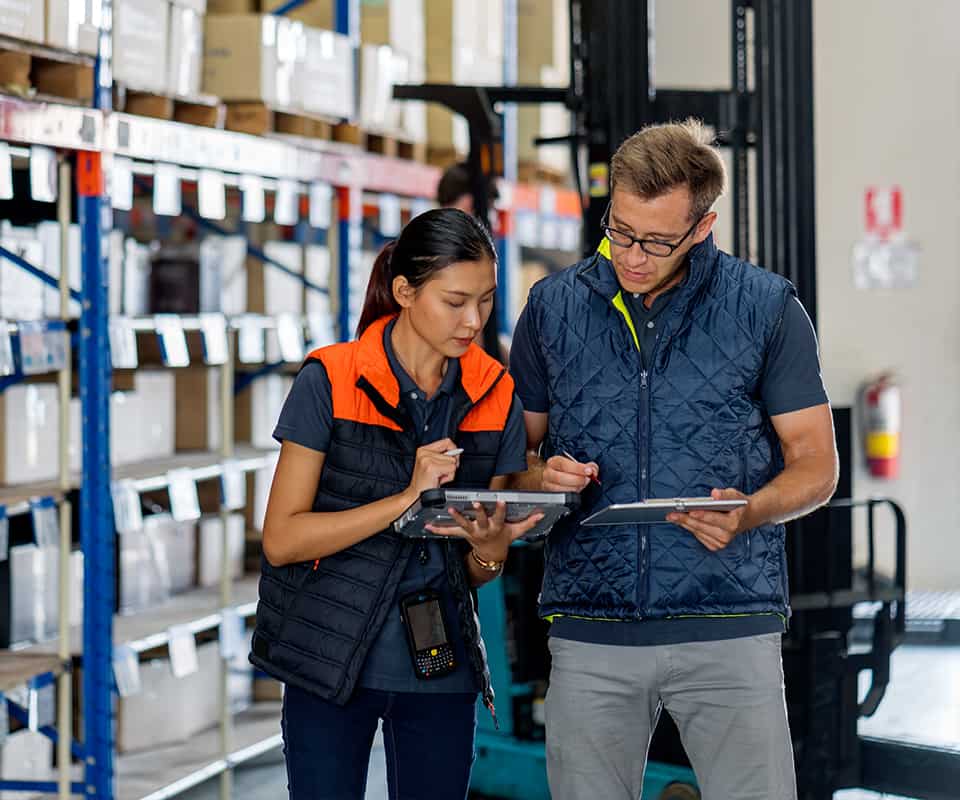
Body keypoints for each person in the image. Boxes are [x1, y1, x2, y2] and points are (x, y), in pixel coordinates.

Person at [508, 119, 839, 800]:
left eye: (656, 241)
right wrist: (541, 479)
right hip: (590, 625)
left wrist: (751, 512)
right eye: (620, 229)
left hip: (726, 621)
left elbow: (815, 465)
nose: (631, 255)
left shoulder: (765, 308)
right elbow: (512, 464)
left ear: (702, 227)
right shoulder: (552, 308)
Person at [250, 208, 539, 799]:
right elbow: (282, 537)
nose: (474, 320)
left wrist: (490, 551)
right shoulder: (331, 380)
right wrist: (407, 499)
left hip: (439, 665)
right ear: (405, 291)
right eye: (454, 301)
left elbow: (475, 569)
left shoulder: (495, 391)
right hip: (326, 658)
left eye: (485, 301)